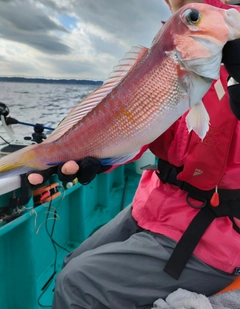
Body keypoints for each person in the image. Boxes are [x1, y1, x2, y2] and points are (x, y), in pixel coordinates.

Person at [27, 0, 240, 308]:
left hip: (215, 234)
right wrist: (98, 156)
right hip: (152, 204)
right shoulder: (170, 41)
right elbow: (143, 123)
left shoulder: (219, 29)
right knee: (74, 260)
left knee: (77, 285)